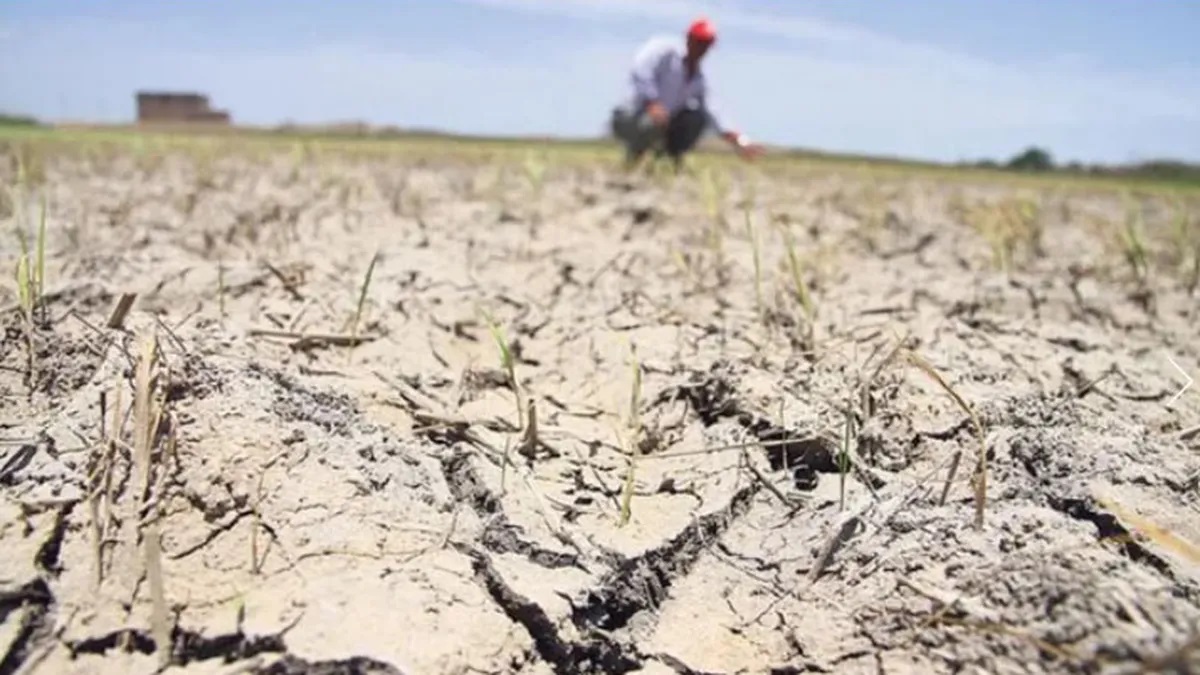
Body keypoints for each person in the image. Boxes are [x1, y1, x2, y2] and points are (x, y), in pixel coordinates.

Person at [610, 17, 764, 170]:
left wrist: (740, 141)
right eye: (699, 42)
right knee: (651, 122)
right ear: (688, 38)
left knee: (696, 118)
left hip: (664, 123)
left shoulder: (699, 80)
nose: (702, 49)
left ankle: (668, 160)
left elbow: (715, 112)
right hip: (631, 116)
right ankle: (632, 160)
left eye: (706, 45)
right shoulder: (663, 50)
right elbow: (640, 70)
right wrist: (652, 102)